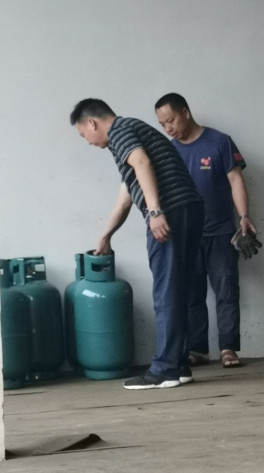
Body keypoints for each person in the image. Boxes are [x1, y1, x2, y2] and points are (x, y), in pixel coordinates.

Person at [70, 98, 204, 390]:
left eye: (83, 135)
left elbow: (142, 162)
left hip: (172, 211)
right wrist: (106, 235)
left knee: (166, 291)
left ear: (92, 123)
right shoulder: (131, 131)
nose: (88, 141)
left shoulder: (120, 131)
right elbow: (127, 195)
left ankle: (165, 369)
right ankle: (179, 365)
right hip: (189, 208)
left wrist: (155, 212)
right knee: (177, 289)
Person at [155, 93, 257, 368]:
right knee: (191, 295)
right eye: (162, 124)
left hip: (221, 232)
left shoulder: (219, 142)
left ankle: (228, 349)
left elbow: (236, 180)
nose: (168, 128)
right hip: (185, 235)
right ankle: (198, 349)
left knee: (227, 290)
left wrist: (244, 216)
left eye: (171, 120)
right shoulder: (169, 150)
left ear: (185, 112)